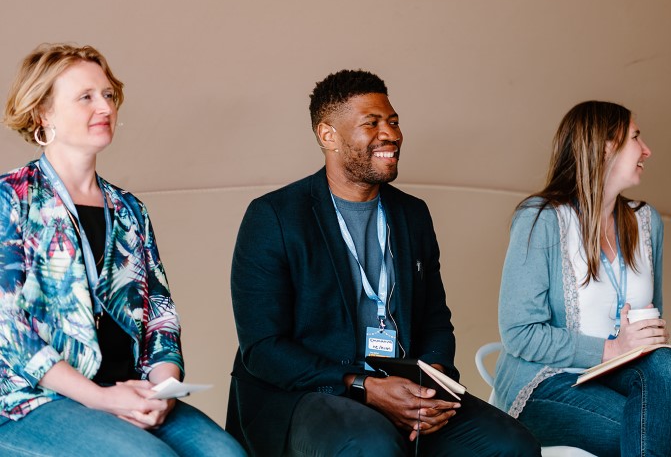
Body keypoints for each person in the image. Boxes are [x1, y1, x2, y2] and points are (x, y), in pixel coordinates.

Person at [226, 69, 540, 456]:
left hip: (404, 382)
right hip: (310, 390)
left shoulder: (413, 214)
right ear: (329, 136)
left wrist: (433, 380)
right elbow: (263, 347)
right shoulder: (273, 216)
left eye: (392, 121)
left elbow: (435, 320)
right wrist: (363, 386)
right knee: (372, 445)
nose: (391, 134)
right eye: (371, 123)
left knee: (512, 445)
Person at [0, 43, 246, 456]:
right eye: (86, 97)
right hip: (32, 400)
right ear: (44, 113)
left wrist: (163, 389)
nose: (105, 107)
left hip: (129, 388)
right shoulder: (12, 197)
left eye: (108, 95)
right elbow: (6, 328)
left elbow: (161, 314)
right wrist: (99, 399)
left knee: (227, 455)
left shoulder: (129, 209)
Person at [494, 101, 669, 456]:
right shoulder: (541, 219)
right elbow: (518, 332)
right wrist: (611, 348)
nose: (647, 150)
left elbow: (655, 318)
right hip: (547, 381)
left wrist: (650, 336)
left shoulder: (647, 221)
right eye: (636, 137)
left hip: (618, 374)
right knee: (652, 431)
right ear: (605, 148)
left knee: (663, 365)